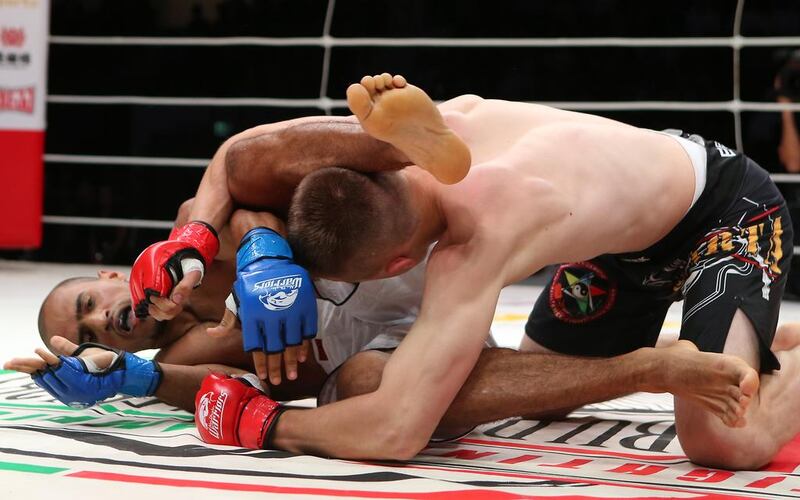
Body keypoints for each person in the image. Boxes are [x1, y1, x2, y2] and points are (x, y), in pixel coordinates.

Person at [5, 101, 754, 442]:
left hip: (699, 207)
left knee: (728, 440)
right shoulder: (181, 357)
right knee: (369, 384)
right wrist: (132, 379)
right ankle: (724, 352)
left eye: (88, 306)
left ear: (107, 275)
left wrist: (258, 252)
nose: (104, 321)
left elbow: (241, 161)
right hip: (548, 255)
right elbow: (225, 389)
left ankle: (387, 146)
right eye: (93, 334)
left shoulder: (192, 247)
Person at [197, 73, 798, 470]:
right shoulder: (426, 136)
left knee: (722, 439)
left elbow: (394, 431)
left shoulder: (474, 245)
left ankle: (763, 349)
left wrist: (262, 423)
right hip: (620, 236)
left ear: (401, 264)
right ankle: (746, 337)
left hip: (724, 212)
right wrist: (218, 242)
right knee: (547, 389)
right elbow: (242, 156)